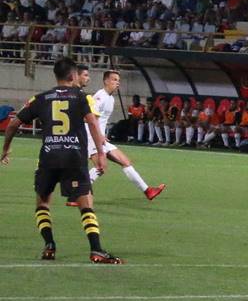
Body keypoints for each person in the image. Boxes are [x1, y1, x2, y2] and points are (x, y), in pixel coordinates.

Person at [1, 57, 123, 263]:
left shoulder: (40, 98)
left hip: (48, 157)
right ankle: (96, 250)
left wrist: (6, 149)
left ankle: (49, 246)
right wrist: (101, 154)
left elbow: (13, 125)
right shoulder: (82, 97)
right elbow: (93, 124)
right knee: (86, 204)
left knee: (42, 204)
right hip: (74, 157)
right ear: (72, 75)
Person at [85, 69, 164, 201]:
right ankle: (78, 194)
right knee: (101, 167)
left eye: (118, 80)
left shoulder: (110, 97)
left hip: (100, 137)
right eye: (114, 80)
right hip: (92, 137)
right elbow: (90, 118)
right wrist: (99, 135)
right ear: (106, 81)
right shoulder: (100, 96)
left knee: (126, 162)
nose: (117, 83)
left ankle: (148, 191)